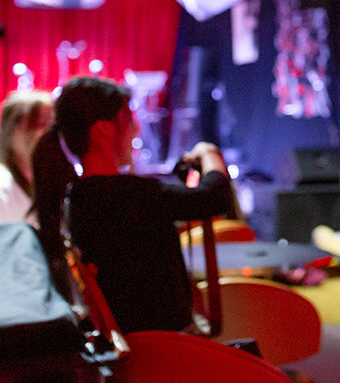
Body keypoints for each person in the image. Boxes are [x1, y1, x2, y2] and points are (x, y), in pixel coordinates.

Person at [32, 76, 234, 335]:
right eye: (128, 119)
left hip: (137, 349)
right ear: (103, 129)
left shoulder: (80, 197)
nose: (136, 129)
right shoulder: (131, 195)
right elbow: (213, 198)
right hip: (168, 348)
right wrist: (210, 155)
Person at [0, 89, 54, 224]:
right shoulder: (3, 186)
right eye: (40, 124)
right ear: (13, 129)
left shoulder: (54, 182)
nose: (47, 134)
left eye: (52, 126)